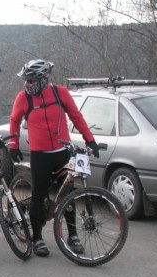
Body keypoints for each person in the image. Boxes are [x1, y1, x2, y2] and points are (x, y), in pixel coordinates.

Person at [8, 59, 100, 257]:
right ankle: (37, 238)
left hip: (62, 152)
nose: (27, 84)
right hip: (40, 155)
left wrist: (90, 140)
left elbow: (76, 116)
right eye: (26, 80)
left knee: (67, 194)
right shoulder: (23, 98)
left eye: (31, 80)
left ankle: (73, 235)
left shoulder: (60, 93)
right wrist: (13, 145)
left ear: (43, 79)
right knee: (38, 195)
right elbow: (14, 120)